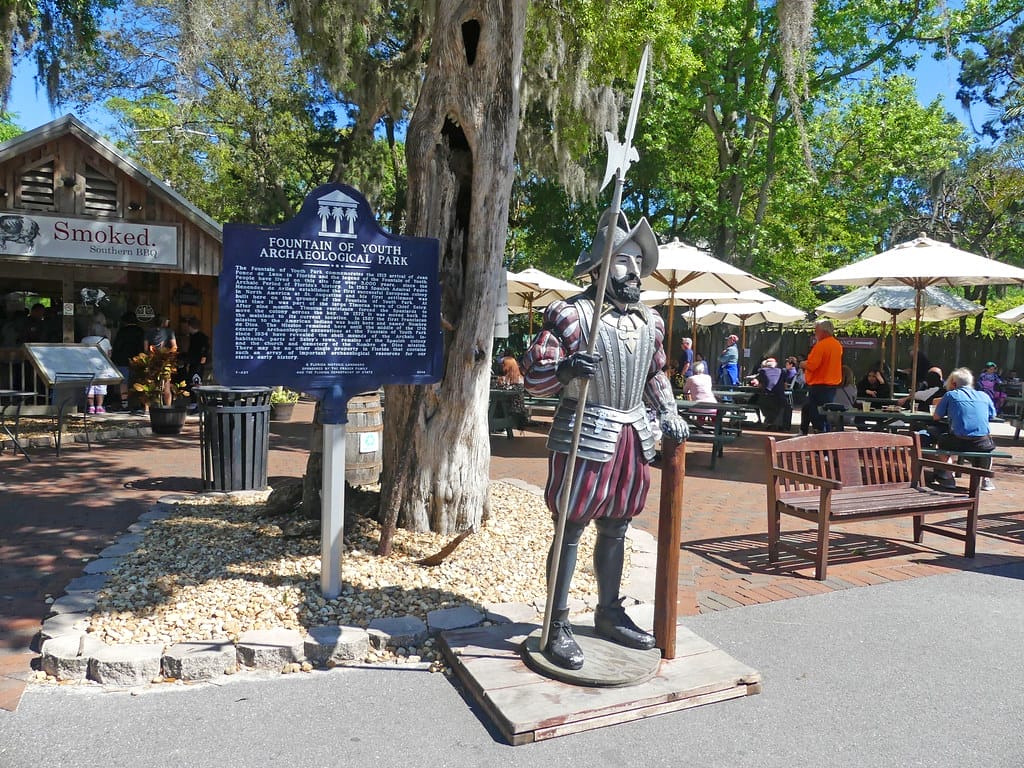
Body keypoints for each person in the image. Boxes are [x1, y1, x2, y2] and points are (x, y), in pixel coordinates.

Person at [522, 210, 688, 671]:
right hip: (584, 428)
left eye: (637, 260)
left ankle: (609, 610)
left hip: (633, 433)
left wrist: (670, 412)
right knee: (571, 526)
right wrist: (565, 370)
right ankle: (556, 622)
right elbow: (533, 377)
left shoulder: (651, 322)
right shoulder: (572, 315)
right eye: (621, 259)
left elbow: (655, 374)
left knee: (617, 525)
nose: (632, 269)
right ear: (598, 265)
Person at [931, 368, 997, 492]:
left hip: (958, 440)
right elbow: (992, 415)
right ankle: (986, 480)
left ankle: (948, 477)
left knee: (941, 441)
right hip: (981, 443)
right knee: (989, 445)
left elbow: (936, 417)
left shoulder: (950, 395)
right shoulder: (984, 395)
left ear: (954, 384)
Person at [800, 319, 843, 434]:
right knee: (824, 412)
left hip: (819, 384)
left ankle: (820, 437)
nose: (815, 333)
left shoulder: (821, 346)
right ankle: (821, 435)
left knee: (816, 413)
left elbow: (813, 365)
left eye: (816, 330)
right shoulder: (837, 345)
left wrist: (802, 363)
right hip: (832, 385)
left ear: (823, 331)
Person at [111, 312, 147, 411]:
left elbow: (117, 346)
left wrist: (114, 359)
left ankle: (124, 403)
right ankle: (140, 402)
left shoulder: (122, 331)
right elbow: (143, 346)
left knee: (124, 382)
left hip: (122, 359)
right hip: (138, 359)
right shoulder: (140, 331)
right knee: (139, 381)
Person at [751, 357, 793, 431]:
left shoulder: (762, 371)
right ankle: (784, 426)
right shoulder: (782, 371)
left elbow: (756, 383)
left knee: (760, 401)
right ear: (775, 365)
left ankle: (770, 422)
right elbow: (785, 385)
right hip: (779, 397)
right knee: (787, 407)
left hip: (766, 397)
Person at [81, 319, 113, 414]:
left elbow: (80, 352)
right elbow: (109, 354)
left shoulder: (84, 340)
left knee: (89, 386)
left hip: (88, 365)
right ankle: (99, 407)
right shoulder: (105, 341)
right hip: (102, 366)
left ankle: (91, 407)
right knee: (101, 386)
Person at [145, 314, 177, 406]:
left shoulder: (148, 332)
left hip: (152, 360)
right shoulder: (169, 332)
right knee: (166, 385)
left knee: (149, 385)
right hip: (165, 360)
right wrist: (167, 353)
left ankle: (147, 408)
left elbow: (145, 348)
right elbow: (174, 347)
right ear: (164, 322)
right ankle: (168, 406)